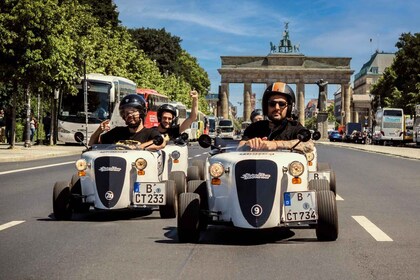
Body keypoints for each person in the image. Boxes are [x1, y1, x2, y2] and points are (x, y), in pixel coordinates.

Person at [238, 82, 314, 152]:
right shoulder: (254, 127)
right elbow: (239, 147)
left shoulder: (294, 127)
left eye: (281, 104)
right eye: (272, 104)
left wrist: (275, 144)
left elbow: (309, 145)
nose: (277, 108)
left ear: (289, 108)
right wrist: (248, 144)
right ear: (265, 107)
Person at [88, 94, 165, 151]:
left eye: (134, 112)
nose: (130, 115)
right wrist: (99, 131)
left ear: (142, 113)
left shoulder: (150, 132)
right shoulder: (117, 132)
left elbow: (161, 143)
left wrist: (140, 147)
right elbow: (92, 144)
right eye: (126, 113)